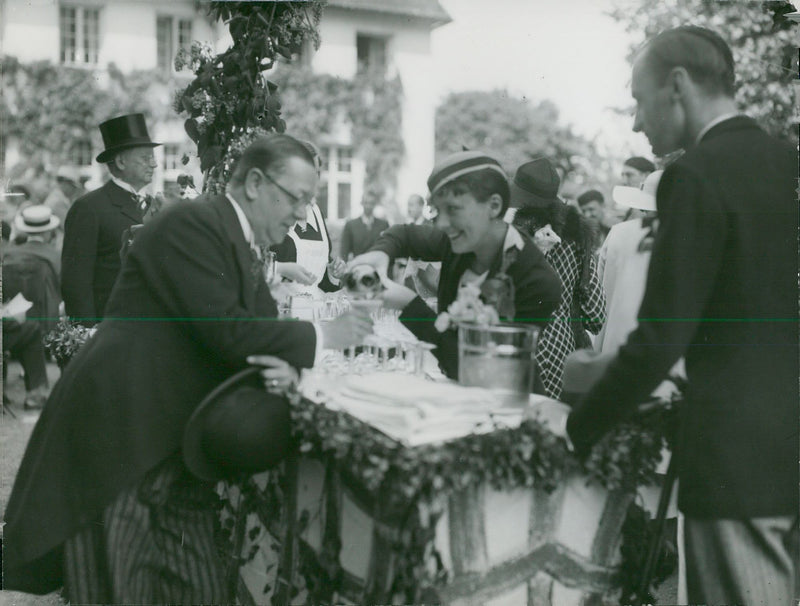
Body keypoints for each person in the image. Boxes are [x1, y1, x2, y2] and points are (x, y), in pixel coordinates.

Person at [3, 134, 373, 603]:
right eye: (297, 198)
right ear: (256, 182)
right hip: (120, 444)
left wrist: (287, 365)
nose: (303, 214)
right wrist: (326, 336)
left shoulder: (235, 236)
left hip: (172, 450)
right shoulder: (193, 223)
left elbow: (254, 333)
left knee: (201, 590)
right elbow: (230, 333)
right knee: (120, 591)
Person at [566, 26, 798, 605]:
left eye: (639, 101)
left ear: (676, 86)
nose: (638, 123)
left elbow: (662, 335)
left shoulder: (694, 175)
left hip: (729, 457)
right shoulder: (781, 160)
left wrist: (579, 427)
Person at [347, 150, 562, 381]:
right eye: (438, 211)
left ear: (494, 206)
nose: (441, 224)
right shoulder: (458, 239)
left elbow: (477, 370)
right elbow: (404, 234)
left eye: (454, 210)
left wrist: (408, 304)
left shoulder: (538, 281)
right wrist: (381, 253)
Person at [510, 159, 605, 400]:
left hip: (517, 343)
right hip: (561, 350)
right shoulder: (580, 236)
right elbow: (596, 314)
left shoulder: (511, 233)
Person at [61, 113, 161, 326]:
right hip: (109, 332)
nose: (154, 164)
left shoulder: (154, 205)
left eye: (153, 157)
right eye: (145, 157)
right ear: (121, 162)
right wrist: (86, 335)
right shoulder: (89, 208)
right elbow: (76, 283)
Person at [271, 141, 345, 293]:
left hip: (315, 313)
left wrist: (332, 274)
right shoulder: (272, 212)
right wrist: (281, 269)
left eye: (316, 173)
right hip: (281, 311)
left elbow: (322, 284)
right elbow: (252, 268)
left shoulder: (316, 213)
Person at [4, 205, 62, 335]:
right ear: (48, 232)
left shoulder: (8, 254)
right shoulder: (55, 256)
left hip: (13, 323)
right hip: (45, 323)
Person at [339, 193, 389, 261]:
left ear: (375, 205)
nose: (368, 206)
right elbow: (344, 253)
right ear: (362, 203)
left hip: (377, 268)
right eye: (366, 203)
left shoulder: (383, 225)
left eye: (371, 203)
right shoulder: (351, 225)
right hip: (357, 267)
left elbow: (387, 251)